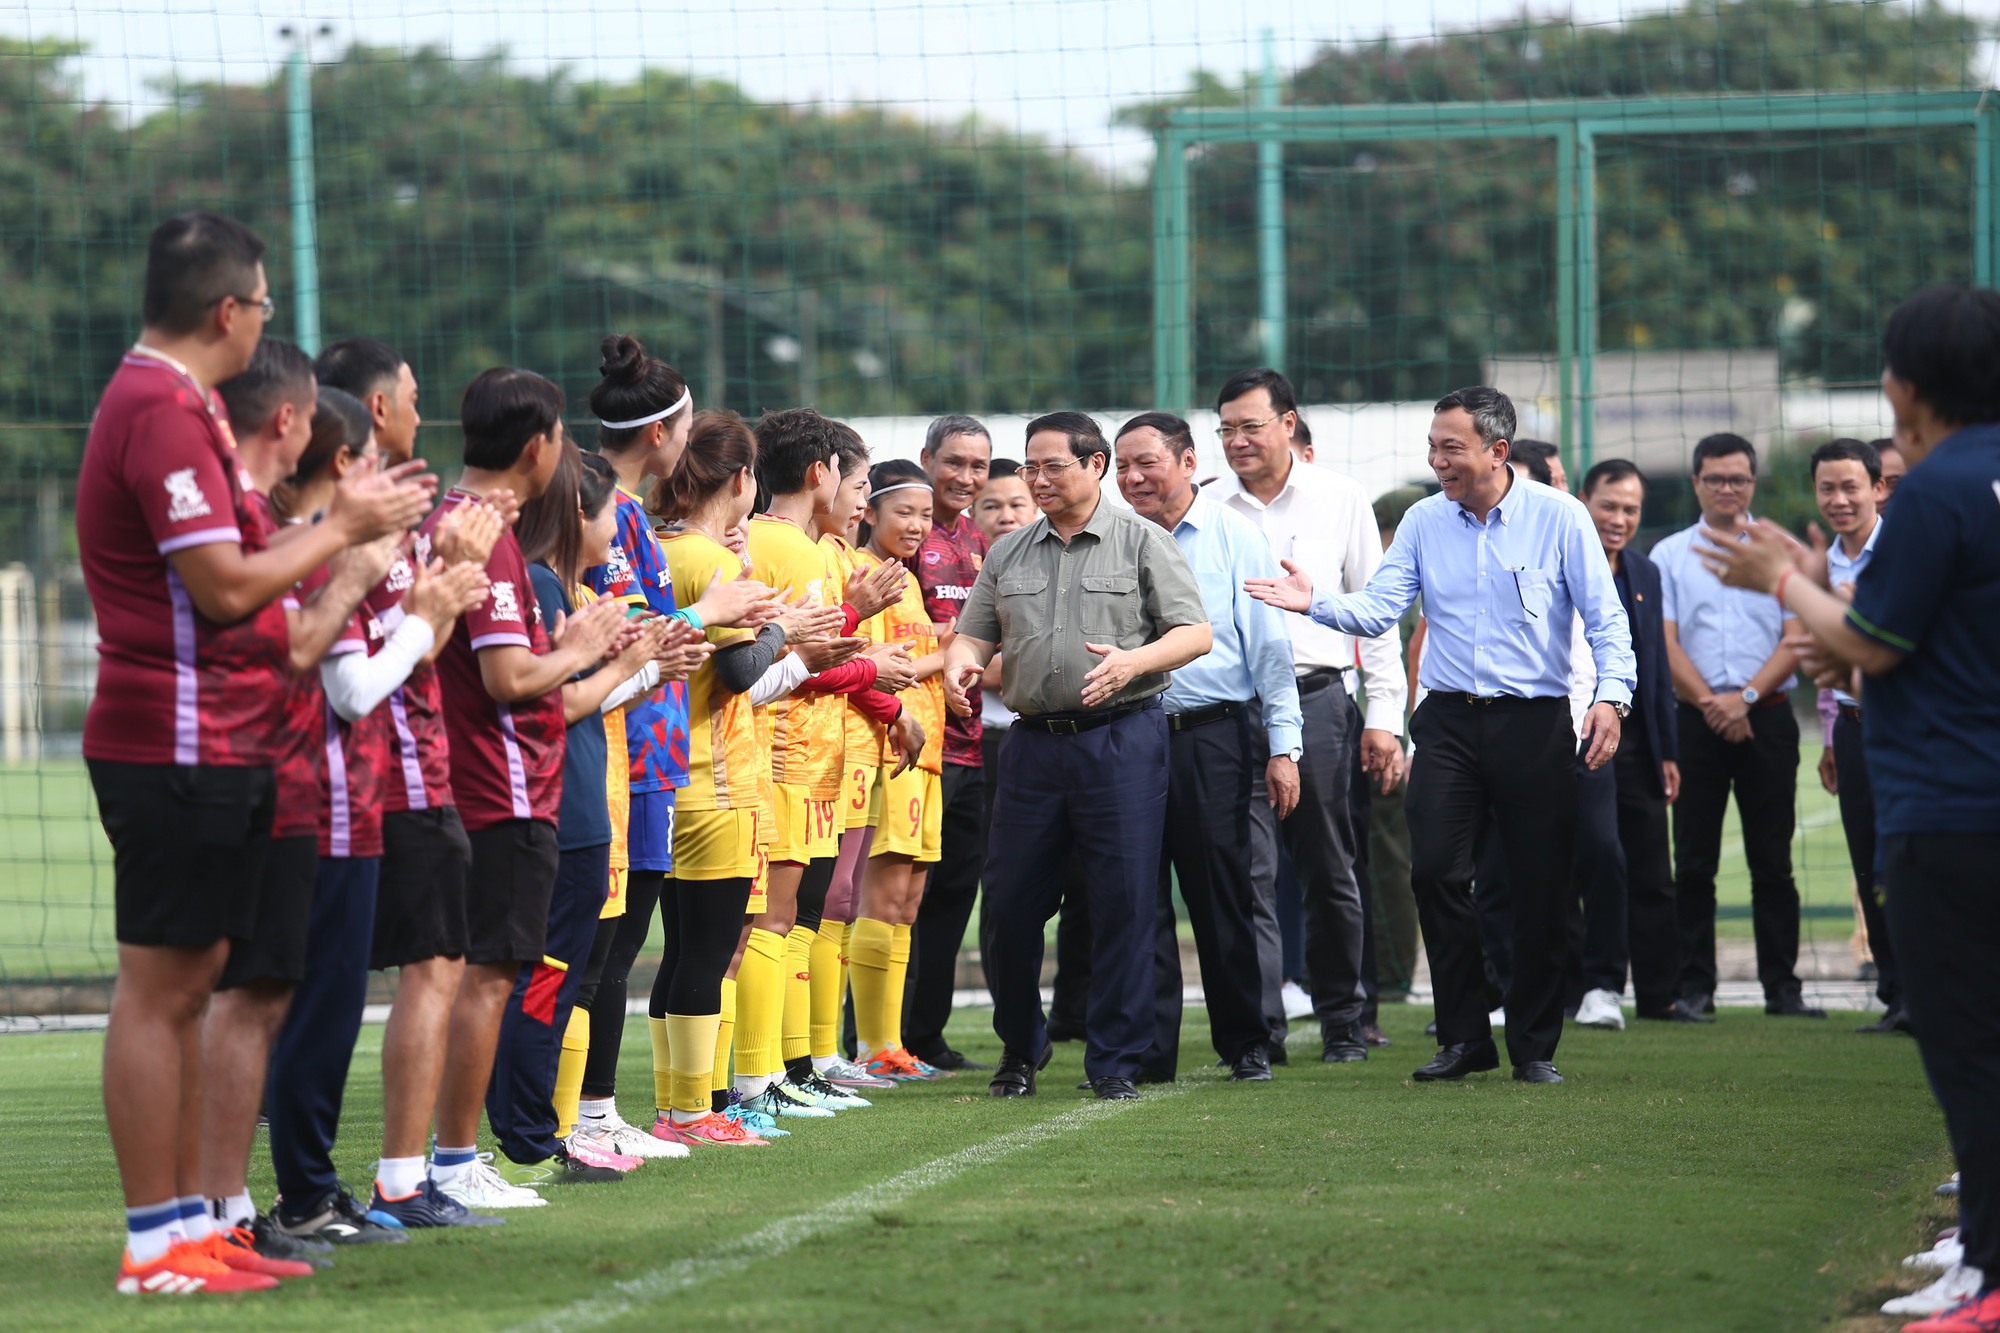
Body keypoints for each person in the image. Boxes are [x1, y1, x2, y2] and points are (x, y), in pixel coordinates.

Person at [78, 213, 432, 1294]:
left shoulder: (175, 405)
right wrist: (344, 527)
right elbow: (227, 585)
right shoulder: (156, 406)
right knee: (162, 990)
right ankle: (157, 1246)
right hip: (175, 735)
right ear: (230, 313)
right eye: (267, 304)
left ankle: (191, 1227)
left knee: (191, 991)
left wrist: (335, 541)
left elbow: (255, 587)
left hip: (217, 737)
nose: (267, 321)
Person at [1697, 283, 2000, 1332]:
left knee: (1965, 1040)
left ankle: (1985, 1276)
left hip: (1953, 803)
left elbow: (1870, 642)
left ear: (1906, 386)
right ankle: (1978, 1254)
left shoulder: (1933, 488)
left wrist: (1784, 578)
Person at [1247, 386, 1634, 1085]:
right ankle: (1463, 1037)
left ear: (1497, 449)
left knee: (1539, 886)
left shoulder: (1561, 518)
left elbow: (1606, 620)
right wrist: (1316, 603)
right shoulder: (1425, 521)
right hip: (1449, 724)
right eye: (1432, 447)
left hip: (1536, 722)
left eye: (1450, 447)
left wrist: (1611, 696)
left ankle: (1533, 1044)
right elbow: (1379, 609)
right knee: (1435, 874)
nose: (1437, 459)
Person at [314, 335, 534, 1217]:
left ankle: (395, 1175)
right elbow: (356, 674)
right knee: (423, 969)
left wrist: (448, 575)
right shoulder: (345, 522)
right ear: (375, 412)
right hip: (389, 778)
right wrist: (444, 584)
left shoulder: (399, 519)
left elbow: (425, 638)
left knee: (433, 966)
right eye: (408, 394)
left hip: (417, 771)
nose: (418, 409)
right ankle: (398, 1176)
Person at [943, 411, 1212, 1101]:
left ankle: (1115, 1058)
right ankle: (1019, 1048)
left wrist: (1133, 663)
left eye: (1052, 466)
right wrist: (960, 665)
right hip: (1032, 747)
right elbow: (975, 635)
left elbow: (1195, 632)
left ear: (1094, 467)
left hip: (1122, 740)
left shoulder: (1143, 541)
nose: (1036, 479)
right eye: (1030, 466)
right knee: (1007, 902)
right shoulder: (1008, 552)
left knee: (1123, 903)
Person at [421, 369, 630, 1201]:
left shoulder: (467, 526)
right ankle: (453, 1162)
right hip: (499, 789)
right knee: (485, 979)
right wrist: (583, 647)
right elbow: (509, 678)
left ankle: (436, 1162)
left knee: (473, 978)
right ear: (540, 446)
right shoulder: (490, 539)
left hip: (477, 786)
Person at [489, 446, 702, 1182]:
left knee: (552, 975)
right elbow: (552, 703)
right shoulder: (543, 585)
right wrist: (636, 666)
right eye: (613, 510)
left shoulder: (563, 587)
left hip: (583, 807)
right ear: (578, 511)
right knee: (542, 977)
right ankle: (526, 1137)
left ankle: (535, 1132)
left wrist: (645, 669)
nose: (622, 526)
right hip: (559, 809)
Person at [1208, 368, 1407, 1064]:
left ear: (1288, 423)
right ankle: (1262, 1030)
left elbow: (1377, 614)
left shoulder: (1341, 497)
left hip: (1322, 698)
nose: (1236, 440)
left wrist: (1384, 714)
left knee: (1330, 867)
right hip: (1234, 708)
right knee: (1249, 871)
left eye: (1250, 425)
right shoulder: (1208, 507)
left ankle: (1345, 1021)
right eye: (1225, 428)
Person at [648, 410, 828, 1148]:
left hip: (666, 775)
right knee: (711, 947)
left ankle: (674, 1105)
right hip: (715, 780)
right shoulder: (712, 563)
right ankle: (694, 1110)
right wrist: (790, 632)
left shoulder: (665, 545)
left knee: (680, 947)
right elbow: (739, 671)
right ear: (743, 480)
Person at [1113, 412, 1302, 1082]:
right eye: (1122, 464)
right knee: (1135, 896)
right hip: (1127, 736)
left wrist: (1284, 745)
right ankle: (1145, 1050)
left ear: (1189, 461)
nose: (1133, 477)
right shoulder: (1109, 538)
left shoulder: (1233, 535)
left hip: (1213, 733)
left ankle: (1247, 1040)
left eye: (1148, 462)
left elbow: (1270, 645)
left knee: (1223, 892)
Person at [1652, 433, 1815, 1019]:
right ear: (1696, 482)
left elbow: (1800, 636)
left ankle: (1783, 988)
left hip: (1766, 721)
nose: (1727, 489)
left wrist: (1744, 698)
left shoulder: (1783, 551)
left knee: (1772, 861)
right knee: (1693, 862)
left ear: (1753, 483)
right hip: (1694, 725)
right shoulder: (1668, 556)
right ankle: (1695, 987)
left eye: (1739, 479)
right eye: (1716, 478)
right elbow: (1664, 644)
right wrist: (1715, 705)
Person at [1577, 459, 1702, 1024]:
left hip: (1639, 743)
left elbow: (1653, 672)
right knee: (1601, 857)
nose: (1619, 519)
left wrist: (1667, 750)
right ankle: (1597, 984)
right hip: (1580, 737)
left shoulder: (1645, 574)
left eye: (1631, 509)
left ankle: (1660, 994)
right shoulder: (1563, 563)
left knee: (1654, 869)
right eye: (1609, 505)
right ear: (1584, 501)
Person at [814, 425, 911, 1092]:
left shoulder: (840, 554)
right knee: (827, 897)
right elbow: (819, 661)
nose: (863, 501)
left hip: (856, 744)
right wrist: (895, 704)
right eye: (859, 487)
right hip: (821, 745)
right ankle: (812, 1057)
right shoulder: (815, 557)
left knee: (841, 898)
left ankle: (824, 1053)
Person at [849, 459, 946, 1081]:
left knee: (907, 900)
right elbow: (883, 666)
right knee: (880, 897)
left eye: (926, 515)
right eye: (903, 512)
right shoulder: (865, 576)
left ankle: (892, 1043)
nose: (916, 525)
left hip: (925, 751)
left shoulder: (905, 580)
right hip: (890, 749)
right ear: (872, 513)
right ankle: (871, 1046)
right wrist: (952, 648)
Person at [1805, 438, 1905, 1035]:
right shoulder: (1820, 564)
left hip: (1903, 724)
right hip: (1850, 725)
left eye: (1851, 487)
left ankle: (1933, 993)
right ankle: (1895, 994)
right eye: (1827, 488)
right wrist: (1827, 736)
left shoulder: (1903, 553)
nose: (1839, 499)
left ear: (1878, 489)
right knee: (1866, 863)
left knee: (1905, 861)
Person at [905, 415, 994, 1073]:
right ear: (926, 458)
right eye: (954, 461)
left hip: (971, 743)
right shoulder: (901, 535)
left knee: (951, 896)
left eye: (978, 465)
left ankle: (925, 1034)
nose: (966, 477)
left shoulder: (986, 544)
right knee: (889, 899)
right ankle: (872, 1036)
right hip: (908, 744)